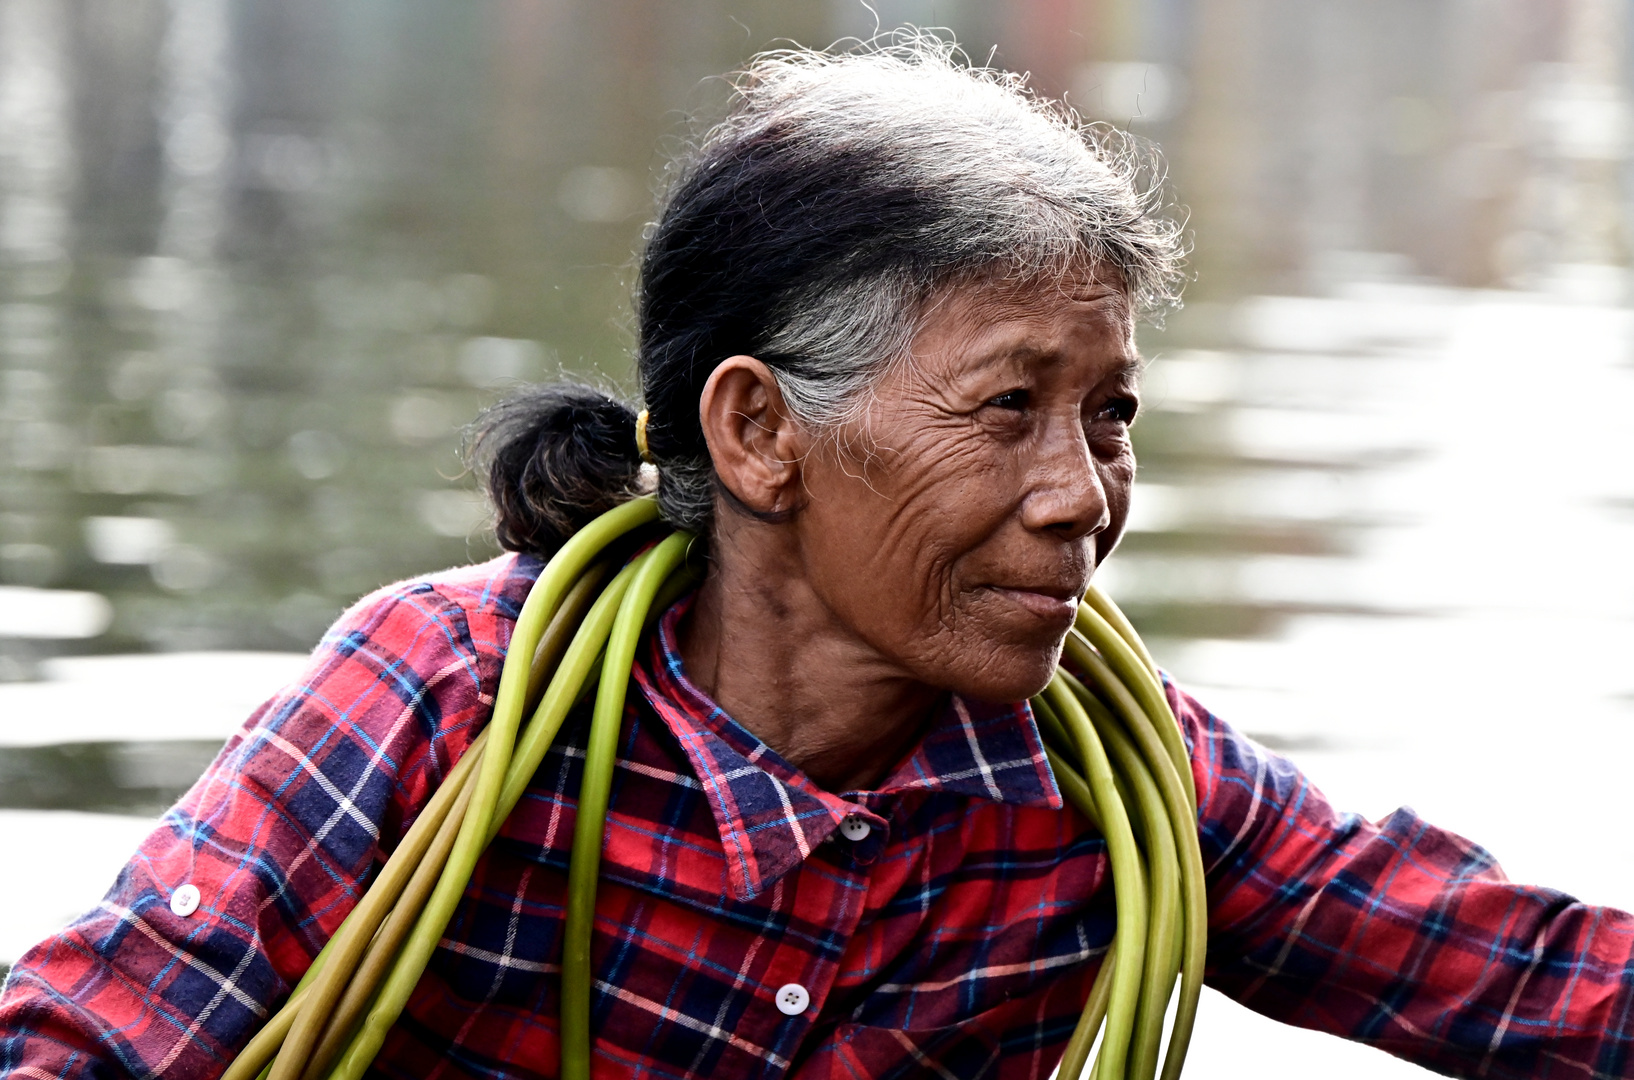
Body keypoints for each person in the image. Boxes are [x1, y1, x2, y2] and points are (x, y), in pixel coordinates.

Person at [3, 35, 1633, 1080]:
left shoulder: (1122, 791)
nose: (1084, 497)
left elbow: (1533, 984)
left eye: (1109, 415)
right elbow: (90, 1043)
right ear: (757, 433)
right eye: (1007, 409)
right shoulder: (444, 697)